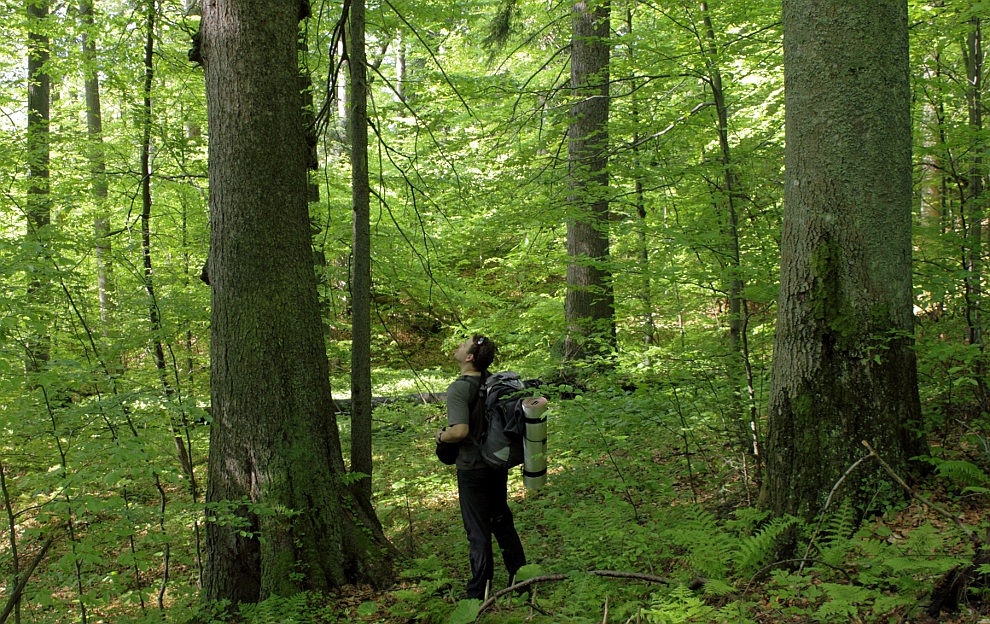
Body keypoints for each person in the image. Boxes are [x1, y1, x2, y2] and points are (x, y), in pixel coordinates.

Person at [435, 334, 526, 600]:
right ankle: (520, 581)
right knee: (501, 521)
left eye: (463, 345)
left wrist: (441, 436)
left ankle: (477, 594)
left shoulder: (459, 388)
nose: (458, 346)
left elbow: (460, 431)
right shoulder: (493, 382)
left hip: (472, 468)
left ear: (470, 357)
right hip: (496, 464)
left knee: (477, 531)